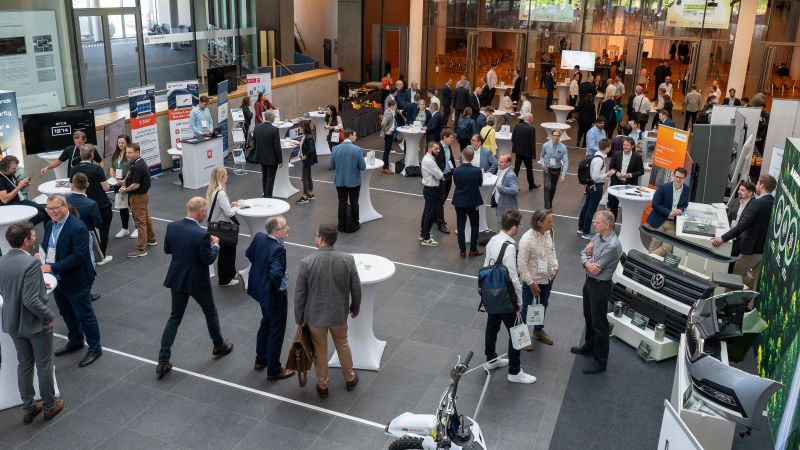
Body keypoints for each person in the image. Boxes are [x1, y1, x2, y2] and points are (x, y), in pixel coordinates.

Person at [157, 197, 234, 379]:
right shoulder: (202, 235)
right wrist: (215, 245)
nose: (205, 215)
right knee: (210, 312)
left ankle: (162, 361)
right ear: (199, 212)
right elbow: (207, 259)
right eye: (205, 212)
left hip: (177, 278)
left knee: (174, 318)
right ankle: (218, 345)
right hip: (198, 281)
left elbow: (168, 250)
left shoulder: (172, 226)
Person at [0, 222, 64, 423]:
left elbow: (9, 287)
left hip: (12, 322)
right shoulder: (31, 263)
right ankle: (49, 406)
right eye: (33, 236)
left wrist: (36, 284)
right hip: (35, 324)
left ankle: (28, 407)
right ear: (26, 241)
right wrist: (48, 317)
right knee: (44, 365)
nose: (35, 237)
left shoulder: (2, 261)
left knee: (24, 364)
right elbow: (30, 300)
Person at [294, 224, 361, 399]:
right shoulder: (347, 260)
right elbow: (356, 288)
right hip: (339, 314)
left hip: (315, 317)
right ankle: (350, 378)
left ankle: (323, 386)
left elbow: (300, 295)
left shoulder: (307, 262)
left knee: (319, 350)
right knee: (343, 345)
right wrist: (355, 307)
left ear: (322, 239)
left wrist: (299, 318)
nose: (315, 238)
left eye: (316, 235)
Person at [42, 194, 102, 367]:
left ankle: (95, 347)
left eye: (55, 208)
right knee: (66, 312)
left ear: (65, 206)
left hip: (77, 279)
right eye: (48, 208)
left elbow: (78, 256)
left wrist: (52, 268)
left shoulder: (77, 227)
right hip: (58, 280)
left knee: (84, 315)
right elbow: (49, 247)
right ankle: (75, 340)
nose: (51, 212)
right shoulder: (49, 225)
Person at [483, 210, 537, 384]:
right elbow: (513, 276)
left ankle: (491, 360)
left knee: (492, 325)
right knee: (518, 331)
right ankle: (515, 371)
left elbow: (486, 265)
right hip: (506, 296)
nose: (520, 228)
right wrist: (519, 301)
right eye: (519, 225)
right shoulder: (510, 246)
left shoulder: (492, 239)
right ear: (514, 227)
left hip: (492, 292)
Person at [571, 210, 623, 375]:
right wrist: (588, 260)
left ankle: (600, 360)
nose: (594, 224)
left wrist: (587, 259)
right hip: (590, 283)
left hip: (600, 286)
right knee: (588, 315)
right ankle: (589, 345)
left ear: (607, 225)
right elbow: (583, 255)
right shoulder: (598, 236)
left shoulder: (613, 245)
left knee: (599, 323)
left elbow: (595, 269)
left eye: (597, 222)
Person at [246, 215, 296, 380]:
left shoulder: (260, 237)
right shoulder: (278, 249)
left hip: (260, 291)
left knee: (266, 322)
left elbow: (250, 254)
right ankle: (274, 369)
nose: (287, 229)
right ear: (276, 232)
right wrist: (275, 288)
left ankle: (260, 359)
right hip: (275, 295)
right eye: (284, 227)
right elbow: (276, 274)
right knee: (277, 329)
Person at [711, 175, 776, 288]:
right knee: (757, 281)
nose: (756, 186)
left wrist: (722, 238)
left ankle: (727, 300)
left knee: (735, 273)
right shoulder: (774, 203)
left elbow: (742, 225)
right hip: (765, 249)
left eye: (758, 183)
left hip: (752, 250)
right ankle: (751, 305)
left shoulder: (757, 203)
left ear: (761, 185)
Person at [518, 209, 558, 347]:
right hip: (532, 280)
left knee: (543, 304)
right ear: (539, 223)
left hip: (547, 278)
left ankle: (538, 331)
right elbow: (521, 265)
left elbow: (552, 250)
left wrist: (555, 266)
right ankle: (522, 339)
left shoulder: (549, 232)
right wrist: (530, 283)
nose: (552, 224)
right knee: (526, 308)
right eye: (549, 221)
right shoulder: (527, 240)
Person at [71, 144, 112, 265]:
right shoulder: (97, 169)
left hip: (82, 205)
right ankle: (101, 256)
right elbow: (105, 188)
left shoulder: (74, 169)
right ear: (92, 155)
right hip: (101, 204)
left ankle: (88, 254)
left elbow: (72, 187)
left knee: (87, 230)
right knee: (103, 229)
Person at [118, 143, 156, 258]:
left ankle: (141, 248)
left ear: (137, 153)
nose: (127, 154)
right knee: (145, 218)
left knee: (140, 222)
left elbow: (135, 184)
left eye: (130, 152)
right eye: (127, 152)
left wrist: (125, 190)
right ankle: (151, 239)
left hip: (137, 197)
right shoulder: (138, 163)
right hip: (143, 196)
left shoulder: (137, 166)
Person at [206, 167, 239, 286]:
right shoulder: (220, 193)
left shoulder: (212, 191)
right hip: (222, 228)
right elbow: (229, 213)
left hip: (215, 226)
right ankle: (225, 279)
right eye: (226, 175)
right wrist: (236, 207)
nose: (227, 177)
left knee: (226, 252)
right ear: (222, 177)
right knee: (227, 253)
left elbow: (221, 208)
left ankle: (230, 273)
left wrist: (230, 206)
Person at [646, 167, 690, 256]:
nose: (677, 179)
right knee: (655, 244)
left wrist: (680, 210)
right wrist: (669, 212)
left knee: (668, 248)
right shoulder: (663, 187)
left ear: (685, 179)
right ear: (673, 176)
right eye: (676, 176)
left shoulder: (686, 189)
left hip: (673, 223)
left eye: (680, 177)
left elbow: (684, 205)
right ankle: (649, 263)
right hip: (660, 220)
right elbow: (655, 204)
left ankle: (648, 258)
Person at [330, 129, 366, 232]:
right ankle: (355, 223)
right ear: (350, 136)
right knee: (354, 202)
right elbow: (362, 167)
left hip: (340, 181)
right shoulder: (357, 150)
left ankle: (341, 225)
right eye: (355, 135)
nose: (356, 137)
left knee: (342, 203)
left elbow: (331, 166)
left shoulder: (335, 149)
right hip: (354, 182)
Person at [578, 139, 614, 239]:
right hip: (596, 187)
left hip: (591, 186)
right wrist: (607, 174)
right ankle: (586, 232)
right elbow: (595, 176)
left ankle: (581, 228)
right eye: (610, 147)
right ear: (607, 147)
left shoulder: (596, 156)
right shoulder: (599, 160)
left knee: (586, 206)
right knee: (591, 209)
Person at [452, 148, 484, 258]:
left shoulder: (456, 171)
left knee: (460, 226)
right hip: (473, 201)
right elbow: (480, 183)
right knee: (474, 225)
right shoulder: (477, 170)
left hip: (459, 201)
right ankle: (473, 250)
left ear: (462, 156)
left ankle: (462, 251)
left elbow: (456, 183)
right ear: (472, 157)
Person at [0, 155, 48, 224]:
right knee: (41, 215)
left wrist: (23, 186)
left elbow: (16, 191)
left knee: (46, 209)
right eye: (13, 168)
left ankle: (49, 233)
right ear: (6, 168)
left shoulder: (11, 174)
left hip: (20, 200)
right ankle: (24, 229)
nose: (15, 170)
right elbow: (4, 200)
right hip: (11, 206)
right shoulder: (1, 179)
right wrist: (19, 187)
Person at [65, 173, 101, 263]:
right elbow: (98, 223)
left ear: (72, 184)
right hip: (86, 235)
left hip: (67, 234)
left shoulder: (64, 199)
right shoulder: (92, 204)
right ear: (87, 184)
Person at [607, 137, 645, 219]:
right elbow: (611, 167)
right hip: (616, 184)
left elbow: (641, 171)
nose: (625, 146)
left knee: (627, 207)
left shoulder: (637, 157)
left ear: (632, 146)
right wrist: (617, 173)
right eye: (624, 145)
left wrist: (629, 175)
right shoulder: (617, 154)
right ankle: (612, 227)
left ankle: (625, 226)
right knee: (613, 206)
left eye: (627, 145)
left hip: (629, 185)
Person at [724, 181, 756, 270]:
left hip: (742, 239)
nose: (739, 191)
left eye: (742, 190)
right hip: (731, 233)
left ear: (750, 193)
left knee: (731, 263)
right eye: (739, 189)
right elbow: (728, 217)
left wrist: (735, 235)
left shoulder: (754, 206)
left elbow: (748, 226)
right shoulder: (736, 201)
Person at [108, 134, 135, 239]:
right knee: (122, 206)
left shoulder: (129, 154)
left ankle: (137, 227)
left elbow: (132, 169)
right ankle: (125, 228)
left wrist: (124, 181)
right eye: (119, 142)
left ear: (127, 143)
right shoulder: (115, 154)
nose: (120, 144)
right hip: (117, 182)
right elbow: (111, 167)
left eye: (123, 142)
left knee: (132, 205)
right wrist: (114, 179)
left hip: (127, 181)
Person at [252, 110, 282, 198]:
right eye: (274, 116)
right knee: (270, 178)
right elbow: (277, 147)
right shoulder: (274, 130)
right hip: (272, 159)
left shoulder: (257, 127)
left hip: (261, 157)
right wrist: (280, 160)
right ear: (271, 117)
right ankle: (268, 197)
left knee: (264, 176)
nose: (274, 117)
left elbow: (255, 142)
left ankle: (265, 194)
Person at [420, 142, 443, 247]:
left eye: (438, 149)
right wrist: (437, 175)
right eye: (436, 149)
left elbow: (437, 175)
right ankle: (426, 238)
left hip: (429, 189)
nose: (438, 150)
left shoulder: (429, 158)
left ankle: (423, 233)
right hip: (431, 190)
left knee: (426, 212)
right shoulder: (429, 161)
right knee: (429, 214)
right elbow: (440, 175)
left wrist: (436, 175)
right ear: (429, 148)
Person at [538, 129, 569, 210]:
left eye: (558, 135)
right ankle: (547, 206)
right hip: (547, 168)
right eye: (554, 135)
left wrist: (563, 175)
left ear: (560, 137)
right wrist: (542, 163)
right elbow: (541, 156)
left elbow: (566, 162)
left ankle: (550, 203)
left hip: (557, 169)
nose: (556, 137)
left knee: (553, 188)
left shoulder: (563, 148)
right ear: (552, 136)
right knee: (547, 186)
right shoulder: (546, 145)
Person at [434, 129, 456, 233]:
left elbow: (451, 160)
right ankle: (440, 223)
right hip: (442, 177)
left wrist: (454, 172)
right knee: (440, 200)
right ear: (444, 137)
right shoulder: (437, 147)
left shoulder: (448, 146)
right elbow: (435, 163)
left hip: (448, 175)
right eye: (451, 137)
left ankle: (436, 217)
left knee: (443, 199)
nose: (453, 139)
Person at [511, 113, 540, 190]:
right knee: (529, 169)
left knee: (516, 169)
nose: (533, 119)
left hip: (518, 151)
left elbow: (513, 139)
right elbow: (532, 143)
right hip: (527, 153)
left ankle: (513, 185)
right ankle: (531, 185)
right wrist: (533, 155)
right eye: (532, 117)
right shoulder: (531, 128)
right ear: (529, 119)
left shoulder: (517, 126)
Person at [492, 155, 519, 230]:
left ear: (508, 163)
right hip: (500, 206)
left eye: (502, 162)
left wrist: (501, 188)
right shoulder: (502, 171)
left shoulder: (510, 175)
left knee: (502, 230)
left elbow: (515, 190)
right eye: (499, 161)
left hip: (505, 209)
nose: (499, 163)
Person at [296, 121, 318, 205]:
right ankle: (311, 194)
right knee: (308, 177)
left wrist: (305, 156)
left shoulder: (308, 137)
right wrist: (298, 143)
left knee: (304, 178)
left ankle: (305, 197)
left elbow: (311, 149)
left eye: (300, 127)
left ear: (304, 128)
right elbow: (305, 145)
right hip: (306, 160)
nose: (299, 128)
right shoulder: (306, 136)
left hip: (307, 160)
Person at [380, 100, 397, 174]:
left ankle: (386, 165)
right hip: (388, 134)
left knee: (387, 150)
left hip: (390, 133)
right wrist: (386, 131)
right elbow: (383, 123)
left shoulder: (391, 111)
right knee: (387, 151)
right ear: (392, 106)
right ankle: (385, 167)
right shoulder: (388, 112)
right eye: (395, 105)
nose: (396, 107)